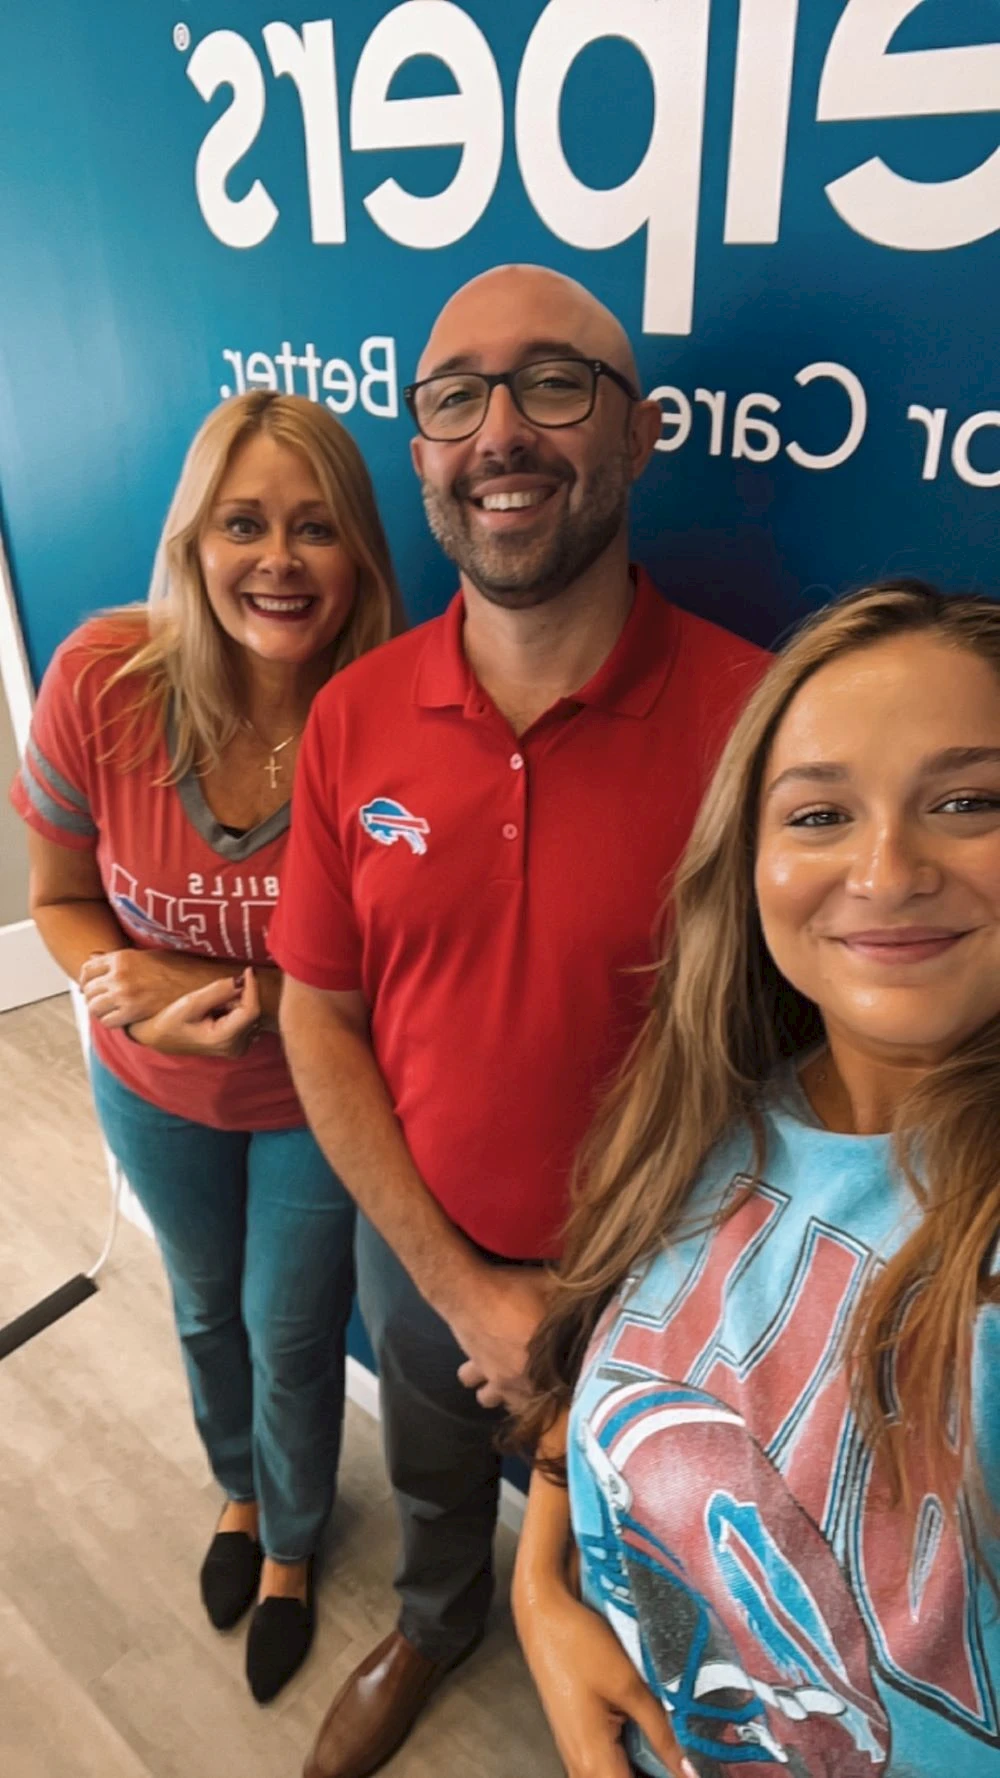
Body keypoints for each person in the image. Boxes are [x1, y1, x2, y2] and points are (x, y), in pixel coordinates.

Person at [268, 264, 769, 1778]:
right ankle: (437, 1620)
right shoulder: (353, 713)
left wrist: (596, 1307)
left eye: (554, 384)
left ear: (640, 431)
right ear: (421, 446)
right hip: (418, 1244)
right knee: (433, 1480)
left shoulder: (762, 721)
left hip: (673, 1292)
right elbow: (318, 1011)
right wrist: (465, 1287)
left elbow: (796, 1067)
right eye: (455, 397)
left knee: (647, 1554)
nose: (500, 431)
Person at [511, 580, 1000, 1778]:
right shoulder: (701, 1119)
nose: (885, 870)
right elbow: (603, 1366)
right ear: (750, 858)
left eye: (967, 801)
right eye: (820, 813)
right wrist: (538, 1588)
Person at [11, 390, 401, 1703]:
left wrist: (214, 983)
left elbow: (400, 970)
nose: (278, 560)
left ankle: (291, 1543)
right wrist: (131, 990)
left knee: (290, 1333)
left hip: (316, 1099)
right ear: (194, 539)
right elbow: (62, 898)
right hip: (150, 1082)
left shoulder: (394, 716)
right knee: (200, 1305)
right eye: (244, 523)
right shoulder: (99, 679)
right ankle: (238, 1490)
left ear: (359, 554)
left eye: (315, 527)